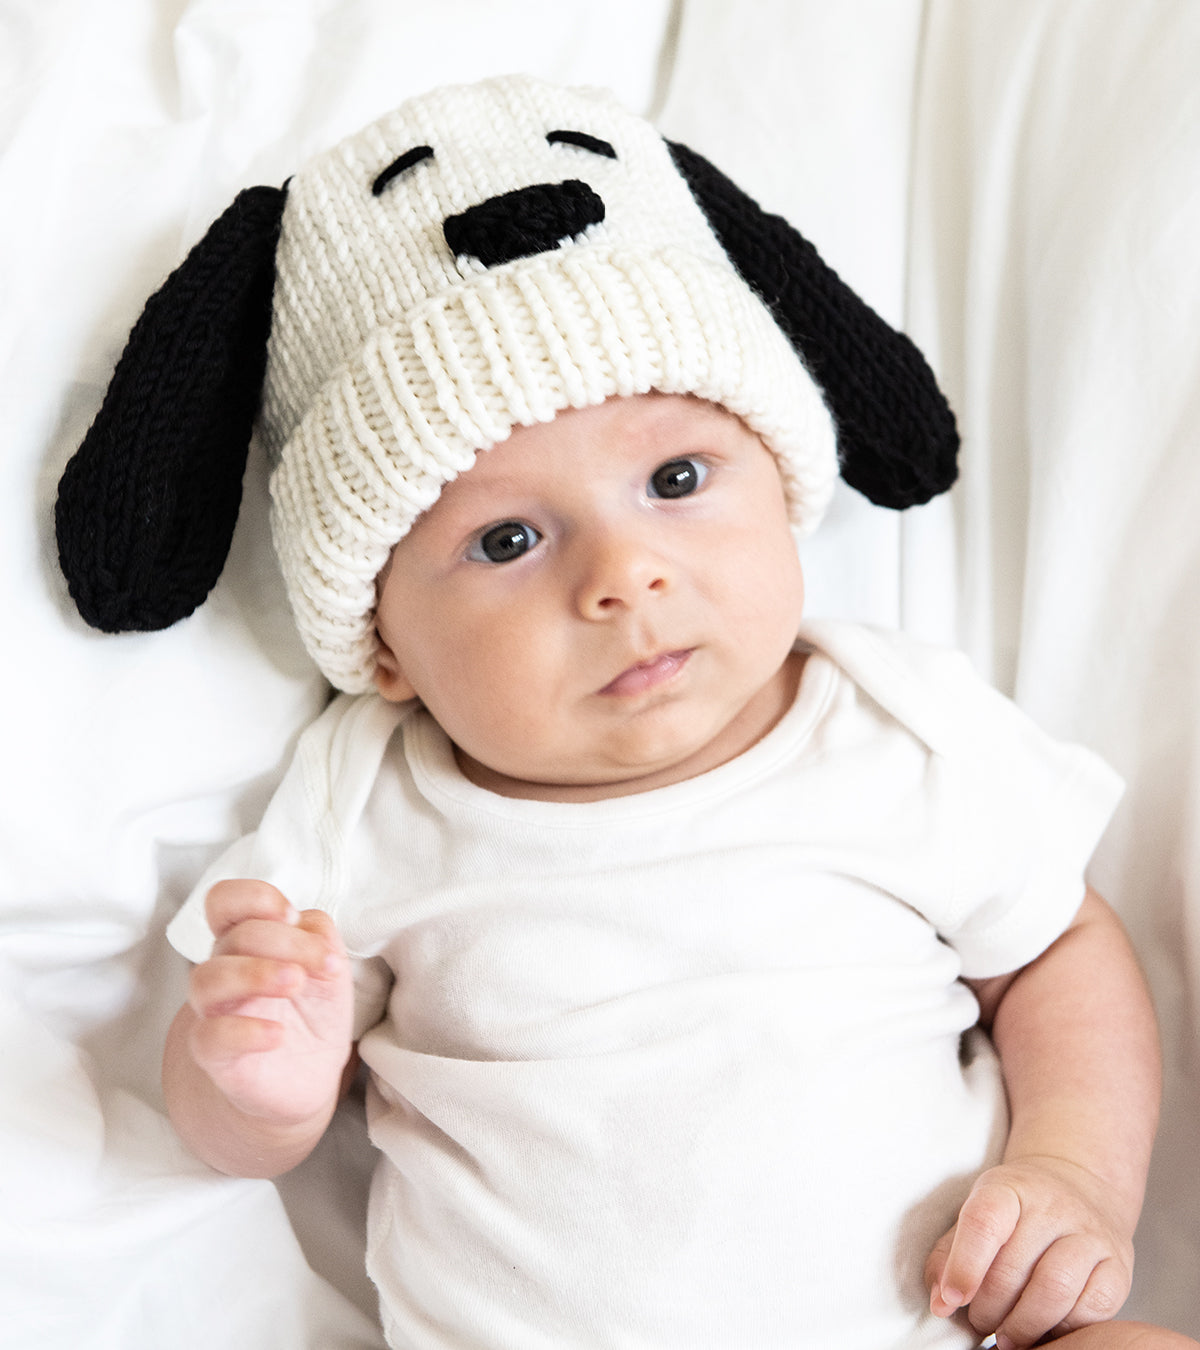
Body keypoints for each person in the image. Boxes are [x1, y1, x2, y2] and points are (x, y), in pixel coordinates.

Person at [55, 76, 1196, 1350]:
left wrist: (1077, 1176)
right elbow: (232, 1140)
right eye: (507, 539)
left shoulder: (888, 726)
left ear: (783, 483)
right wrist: (256, 1075)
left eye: (676, 478)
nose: (622, 577)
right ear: (385, 645)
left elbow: (1052, 952)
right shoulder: (368, 804)